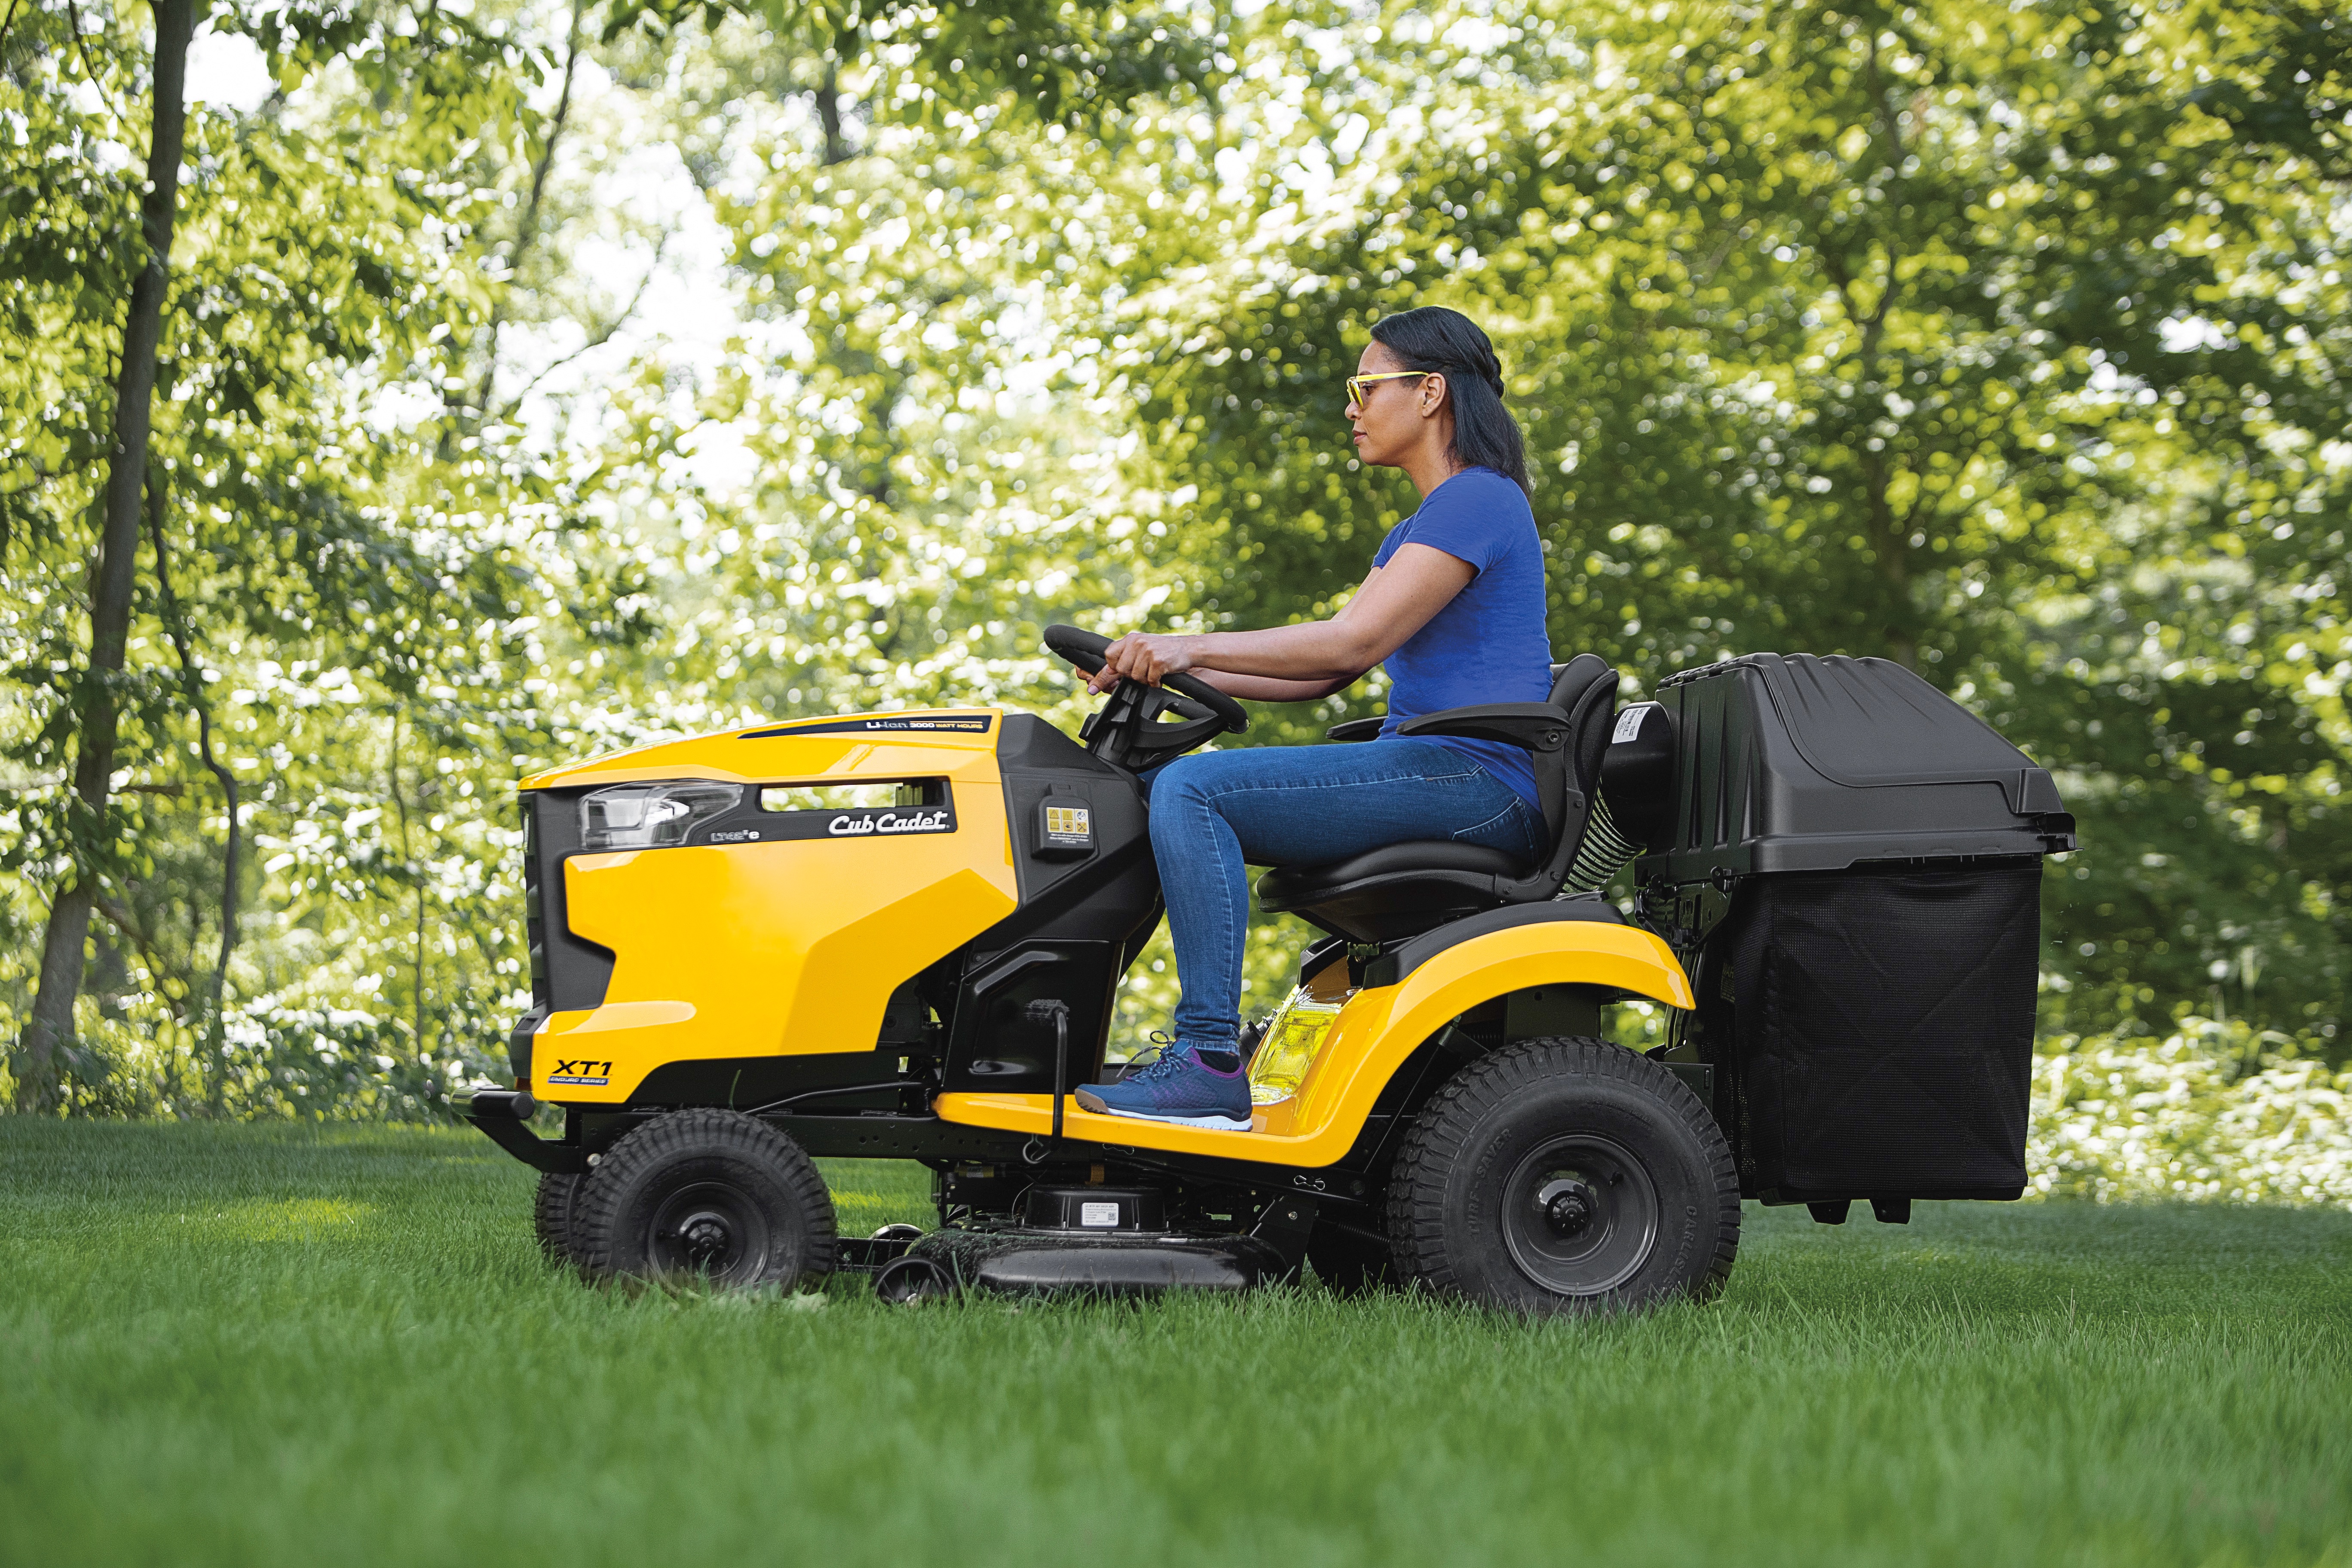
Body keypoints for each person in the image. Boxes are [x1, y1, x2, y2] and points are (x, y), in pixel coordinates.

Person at [1072, 305, 1554, 1131]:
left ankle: (1210, 1061)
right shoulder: (1423, 523)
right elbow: (1333, 668)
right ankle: (1090, 1042)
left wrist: (1184, 646)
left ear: (1430, 391)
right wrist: (1153, 669)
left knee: (1194, 790)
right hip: (1440, 769)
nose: (1352, 407)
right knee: (1159, 783)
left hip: (1478, 778)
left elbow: (1349, 640)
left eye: (1364, 386)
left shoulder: (1480, 500)